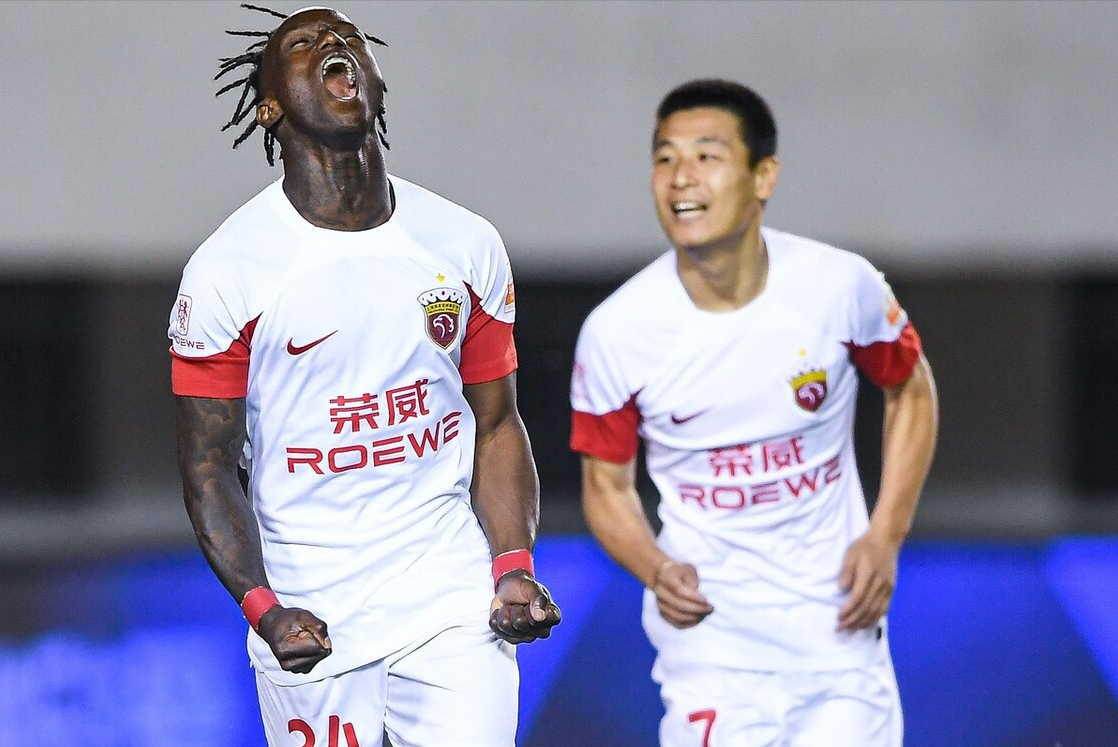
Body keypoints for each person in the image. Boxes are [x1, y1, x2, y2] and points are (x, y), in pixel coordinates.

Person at [169, 5, 560, 746]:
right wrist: (264, 608)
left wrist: (512, 563)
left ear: (375, 82)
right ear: (270, 108)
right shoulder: (228, 272)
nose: (334, 43)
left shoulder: (464, 242)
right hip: (313, 615)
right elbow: (207, 465)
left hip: (448, 603)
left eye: (349, 38)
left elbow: (496, 423)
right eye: (304, 43)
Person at [570, 78, 938, 747]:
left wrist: (885, 535)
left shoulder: (839, 286)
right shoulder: (617, 331)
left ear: (763, 176)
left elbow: (911, 391)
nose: (681, 176)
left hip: (839, 641)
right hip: (713, 651)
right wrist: (656, 568)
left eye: (706, 155)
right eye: (664, 157)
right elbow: (606, 486)